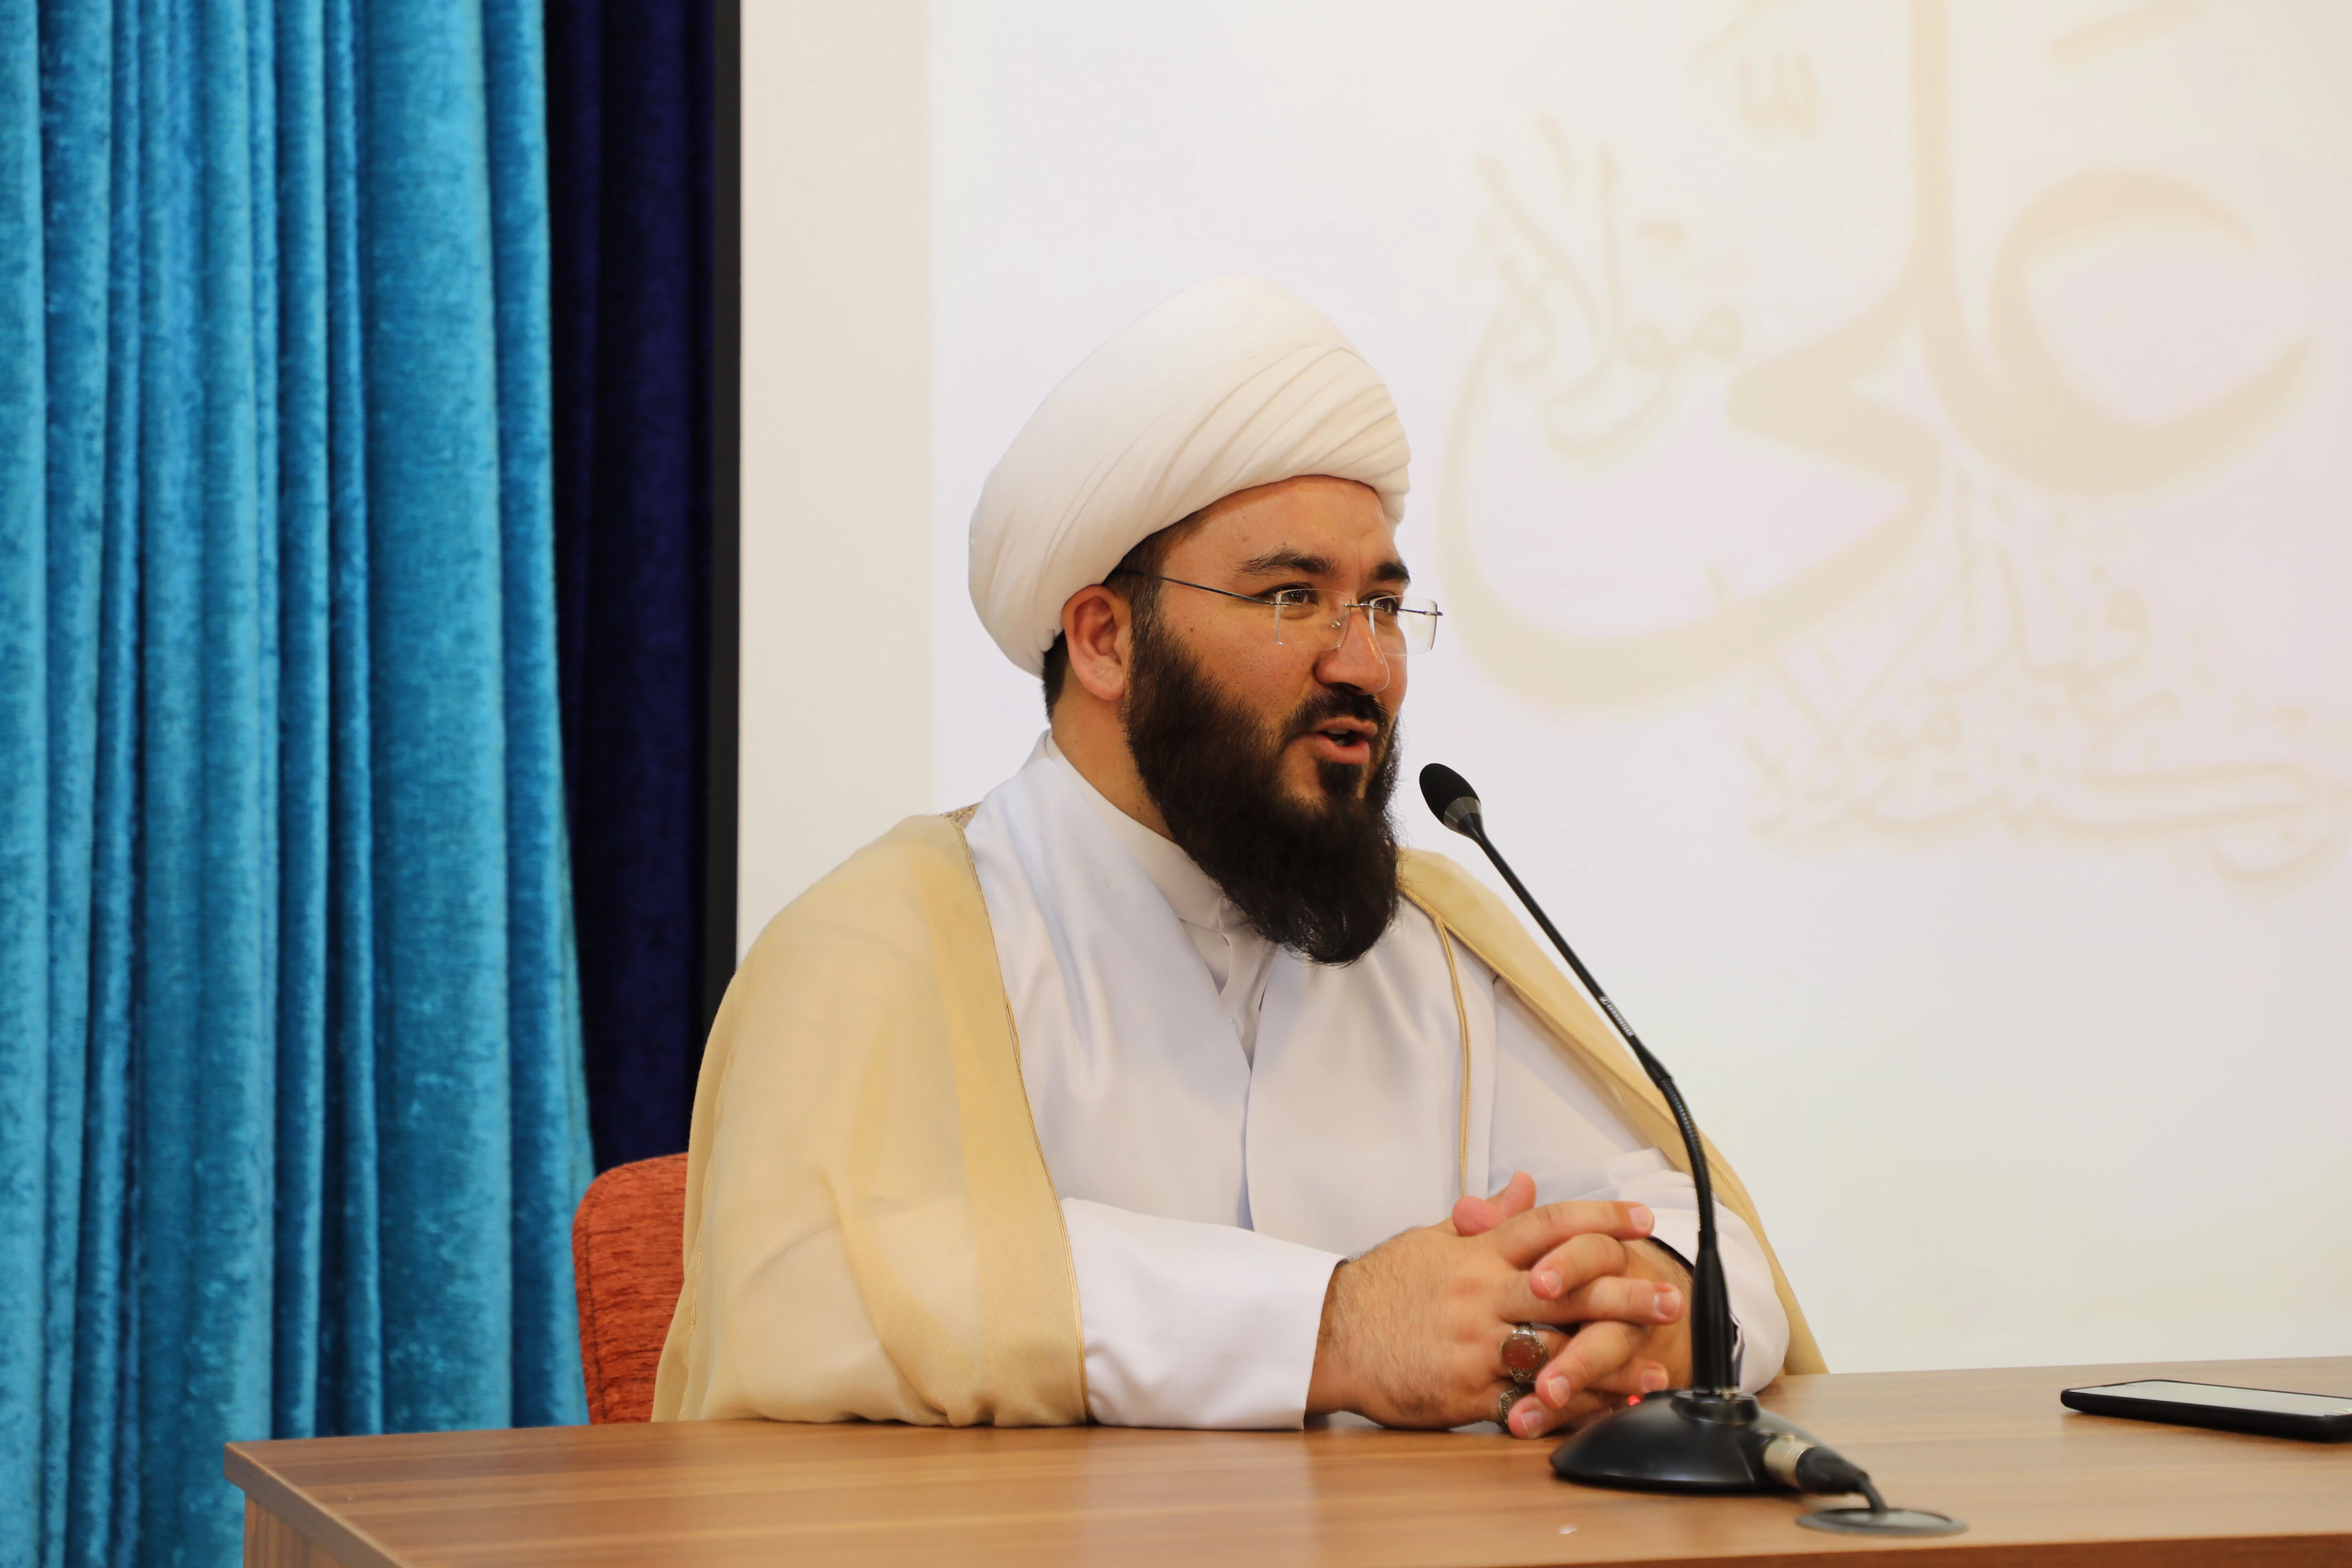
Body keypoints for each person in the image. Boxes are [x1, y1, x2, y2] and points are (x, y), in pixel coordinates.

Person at [653, 277, 1821, 1439]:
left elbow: (1705, 1242)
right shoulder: (889, 938)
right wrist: (1334, 1328)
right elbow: (822, 1296)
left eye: (1382, 606)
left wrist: (1645, 1308)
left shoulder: (1434, 941)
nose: (1365, 665)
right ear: (1105, 641)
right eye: (1293, 597)